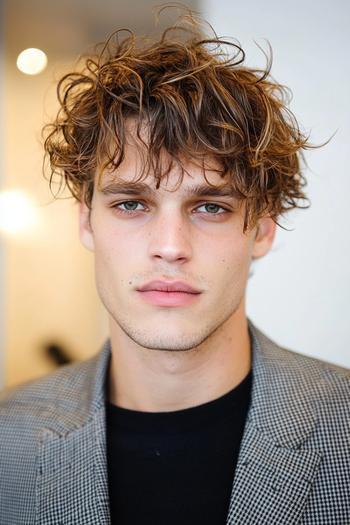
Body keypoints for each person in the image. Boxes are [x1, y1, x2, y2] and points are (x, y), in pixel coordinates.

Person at [0, 9, 349, 525]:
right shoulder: (9, 435)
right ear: (87, 222)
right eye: (130, 204)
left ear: (263, 228)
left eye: (211, 206)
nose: (169, 247)